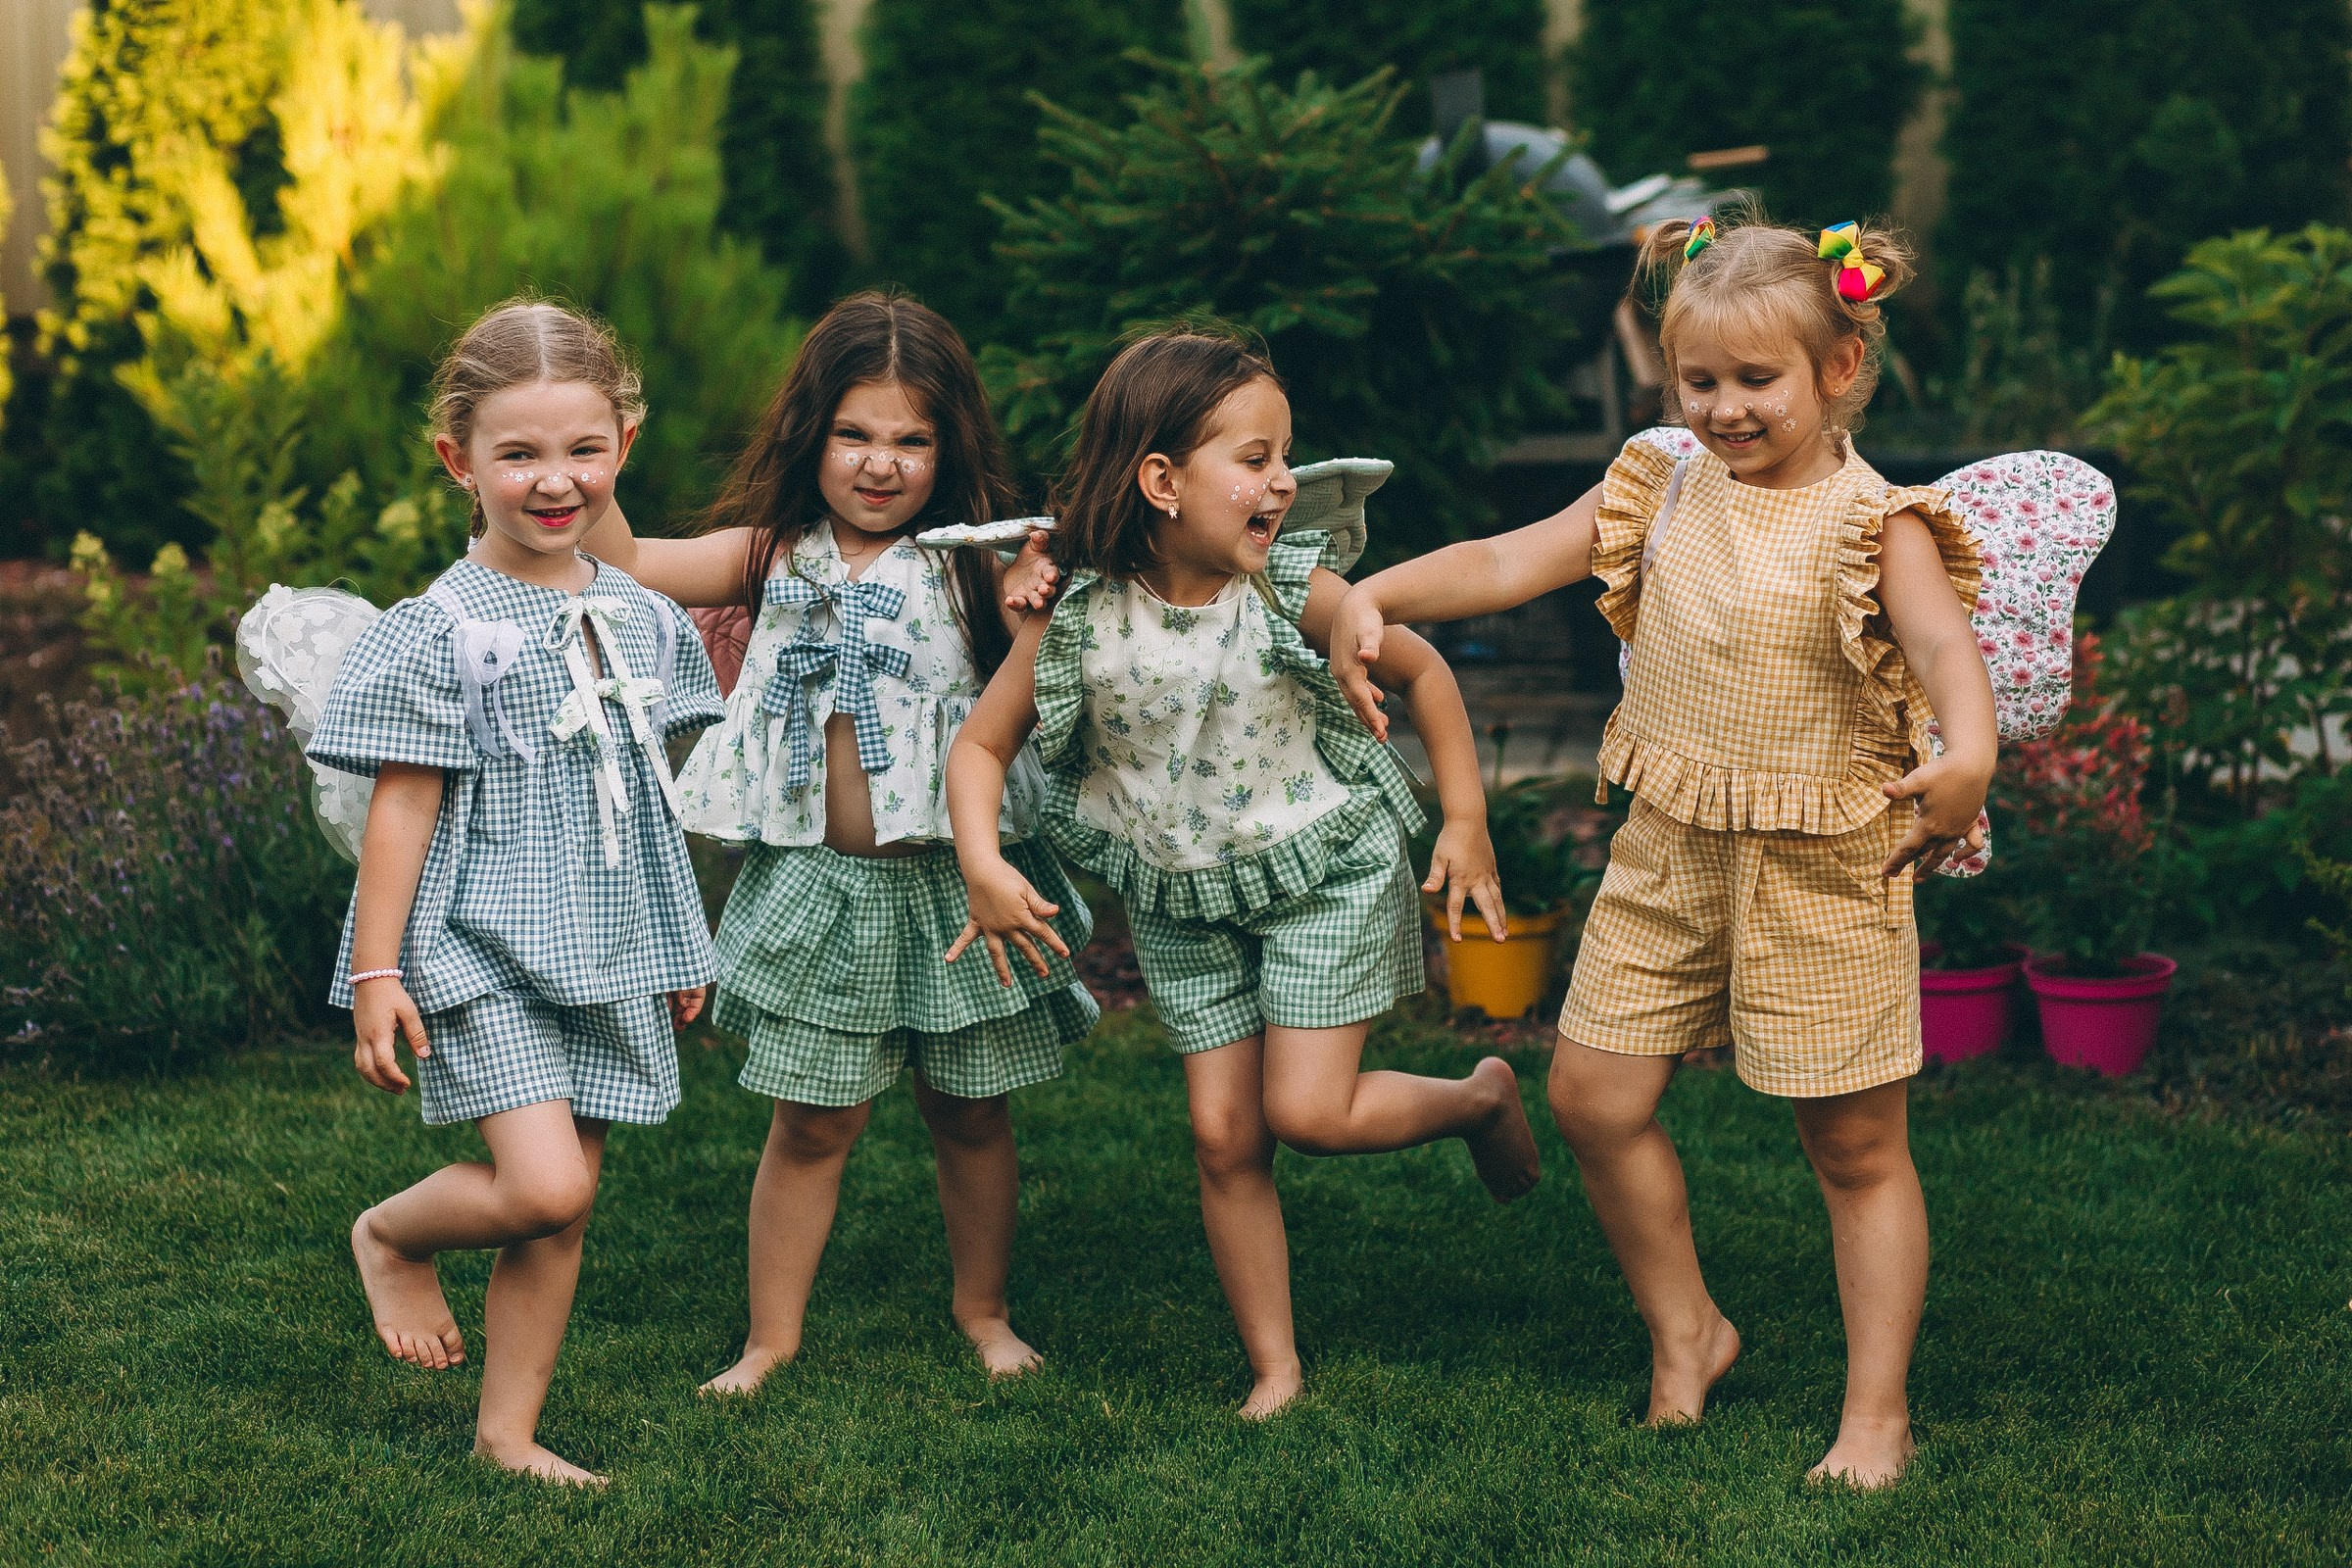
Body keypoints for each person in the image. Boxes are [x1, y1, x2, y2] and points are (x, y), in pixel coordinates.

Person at [1329, 215, 1995, 1487]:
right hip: (1668, 849)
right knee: (1591, 1093)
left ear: (1840, 366)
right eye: (1701, 382)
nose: (1726, 410)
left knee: (1853, 1148)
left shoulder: (1879, 524)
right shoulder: (1660, 476)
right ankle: (1688, 1329)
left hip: (1826, 863)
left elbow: (1948, 653)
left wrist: (1966, 753)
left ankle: (1875, 1417)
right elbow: (1504, 559)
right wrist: (1379, 594)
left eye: (1759, 381)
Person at [943, 328, 1543, 1420]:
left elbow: (1423, 668)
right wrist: (982, 861)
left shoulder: (1285, 593)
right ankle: (1277, 1365)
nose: (1282, 483)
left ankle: (1476, 1100)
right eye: (1257, 460)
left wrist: (1465, 814)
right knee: (1225, 1134)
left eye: (1285, 458)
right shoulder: (1074, 619)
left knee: (1307, 1114)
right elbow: (982, 746)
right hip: (1184, 905)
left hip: (1319, 874)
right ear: (1161, 480)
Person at [580, 291, 1089, 1392]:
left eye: (912, 439)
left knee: (970, 1108)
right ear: (813, 434)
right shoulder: (773, 555)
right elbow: (627, 562)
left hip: (959, 885)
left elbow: (1043, 685)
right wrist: (600, 451)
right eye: (855, 434)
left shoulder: (976, 560)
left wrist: (1030, 605)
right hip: (820, 885)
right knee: (813, 1118)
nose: (881, 463)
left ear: (949, 447)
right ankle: (772, 1337)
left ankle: (984, 1310)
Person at [318, 299, 724, 1485]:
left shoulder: (645, 621)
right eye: (521, 453)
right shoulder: (438, 628)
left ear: (624, 450)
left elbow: (652, 797)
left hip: (604, 940)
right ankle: (389, 1232)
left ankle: (508, 1433)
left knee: (566, 1199)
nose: (556, 480)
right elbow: (406, 804)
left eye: (583, 450)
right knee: (541, 1180)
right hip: (475, 941)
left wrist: (678, 944)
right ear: (461, 461)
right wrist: (377, 970)